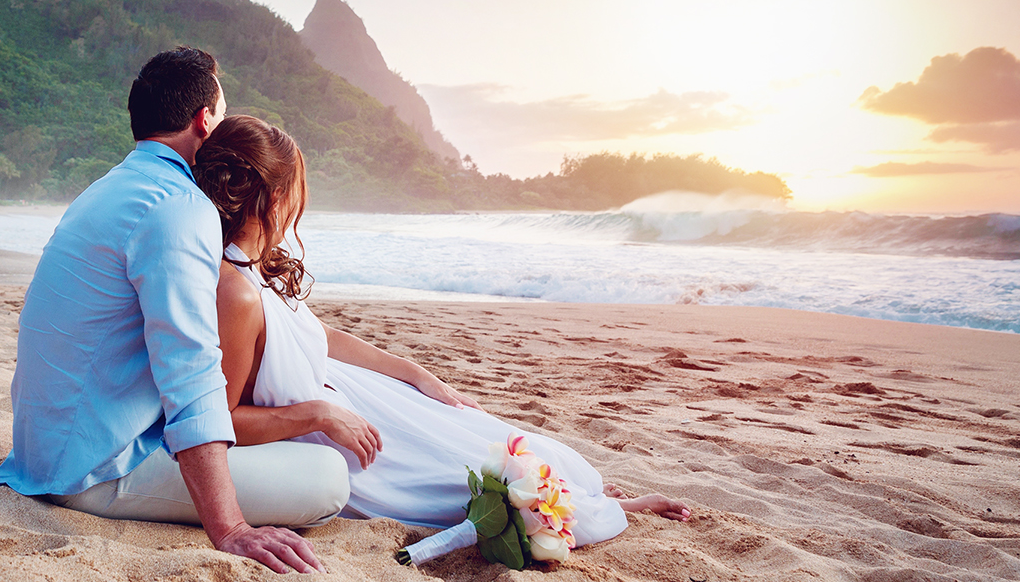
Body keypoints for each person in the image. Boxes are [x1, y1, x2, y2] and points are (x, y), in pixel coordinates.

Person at [191, 114, 691, 543]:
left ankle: (585, 492)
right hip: (327, 432)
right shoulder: (234, 292)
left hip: (355, 399)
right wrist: (319, 414)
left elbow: (320, 337)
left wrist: (415, 374)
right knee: (478, 484)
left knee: (486, 436)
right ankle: (597, 505)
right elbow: (222, 420)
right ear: (276, 195)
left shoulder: (256, 267)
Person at [0, 49, 349, 575]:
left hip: (41, 449)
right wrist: (230, 528)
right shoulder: (179, 206)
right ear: (204, 121)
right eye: (223, 114)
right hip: (95, 469)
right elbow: (189, 369)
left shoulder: (109, 187)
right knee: (330, 478)